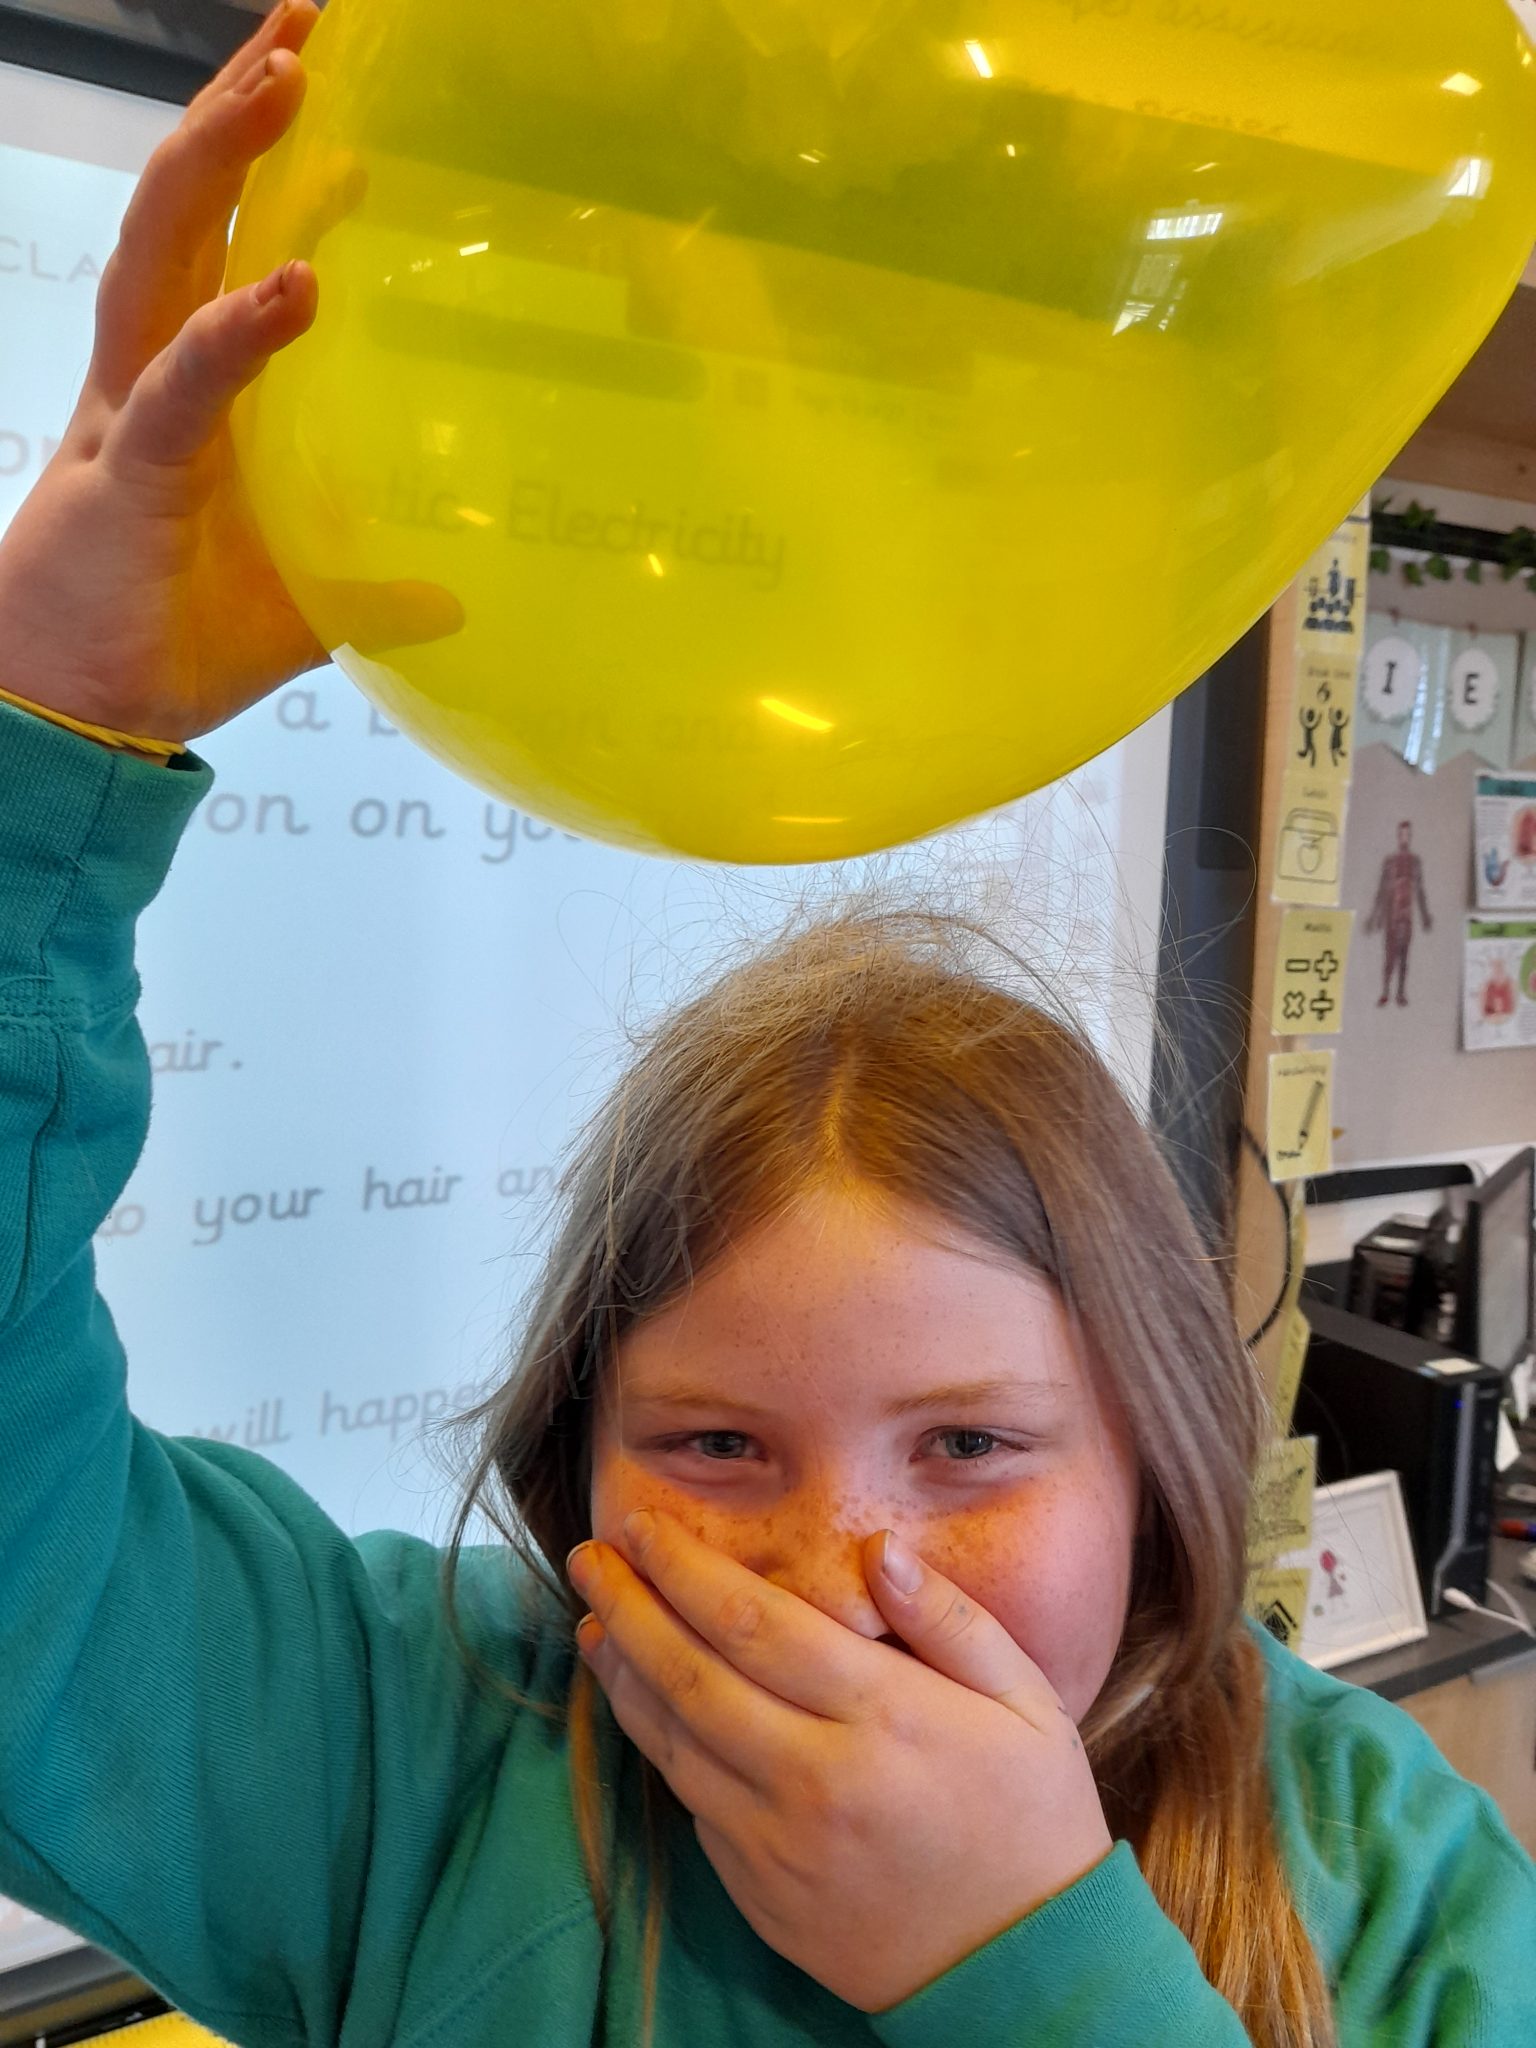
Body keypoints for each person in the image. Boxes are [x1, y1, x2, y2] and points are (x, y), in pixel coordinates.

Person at [0, 8, 1533, 2046]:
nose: (837, 1574)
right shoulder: (408, 1748)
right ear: (579, 1475)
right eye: (713, 1446)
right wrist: (43, 738)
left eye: (972, 1447)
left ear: (1153, 1465)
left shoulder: (1402, 1882)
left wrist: (1031, 1961)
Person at [1365, 820, 1433, 1009]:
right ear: (1398, 836)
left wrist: (1425, 915)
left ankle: (1401, 992)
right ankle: (1386, 991)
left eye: (1407, 834)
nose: (1404, 837)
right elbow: (1382, 889)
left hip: (1407, 914)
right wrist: (1375, 917)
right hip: (1392, 914)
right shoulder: (1390, 862)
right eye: (1402, 834)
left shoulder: (1415, 862)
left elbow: (1420, 890)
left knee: (1404, 956)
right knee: (1390, 955)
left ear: (1410, 836)